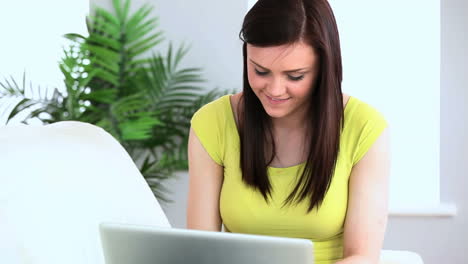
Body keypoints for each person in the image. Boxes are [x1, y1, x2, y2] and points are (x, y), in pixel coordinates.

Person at [186, 0, 390, 263]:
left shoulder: (364, 126)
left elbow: (362, 257)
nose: (274, 90)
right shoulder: (212, 122)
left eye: (295, 76)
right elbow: (201, 251)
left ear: (323, 69)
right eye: (260, 71)